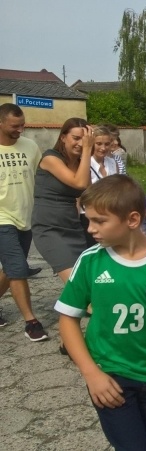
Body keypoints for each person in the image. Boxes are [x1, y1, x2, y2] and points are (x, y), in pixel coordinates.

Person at [55, 175, 146, 451]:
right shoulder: (90, 261)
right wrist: (91, 373)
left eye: (99, 221)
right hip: (108, 373)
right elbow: (67, 319)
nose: (91, 229)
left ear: (132, 220)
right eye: (88, 220)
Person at [0, 103, 48, 340]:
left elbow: (43, 175)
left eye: (22, 125)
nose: (20, 130)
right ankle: (31, 321)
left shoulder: (30, 146)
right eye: (14, 126)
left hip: (26, 216)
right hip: (1, 218)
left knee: (11, 269)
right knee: (18, 268)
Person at [32, 118, 93, 284]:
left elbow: (87, 193)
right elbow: (79, 183)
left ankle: (75, 309)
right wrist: (88, 149)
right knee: (76, 283)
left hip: (72, 226)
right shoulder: (50, 158)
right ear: (63, 137)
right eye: (76, 138)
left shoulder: (81, 163)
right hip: (49, 228)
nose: (81, 143)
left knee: (85, 280)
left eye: (85, 139)